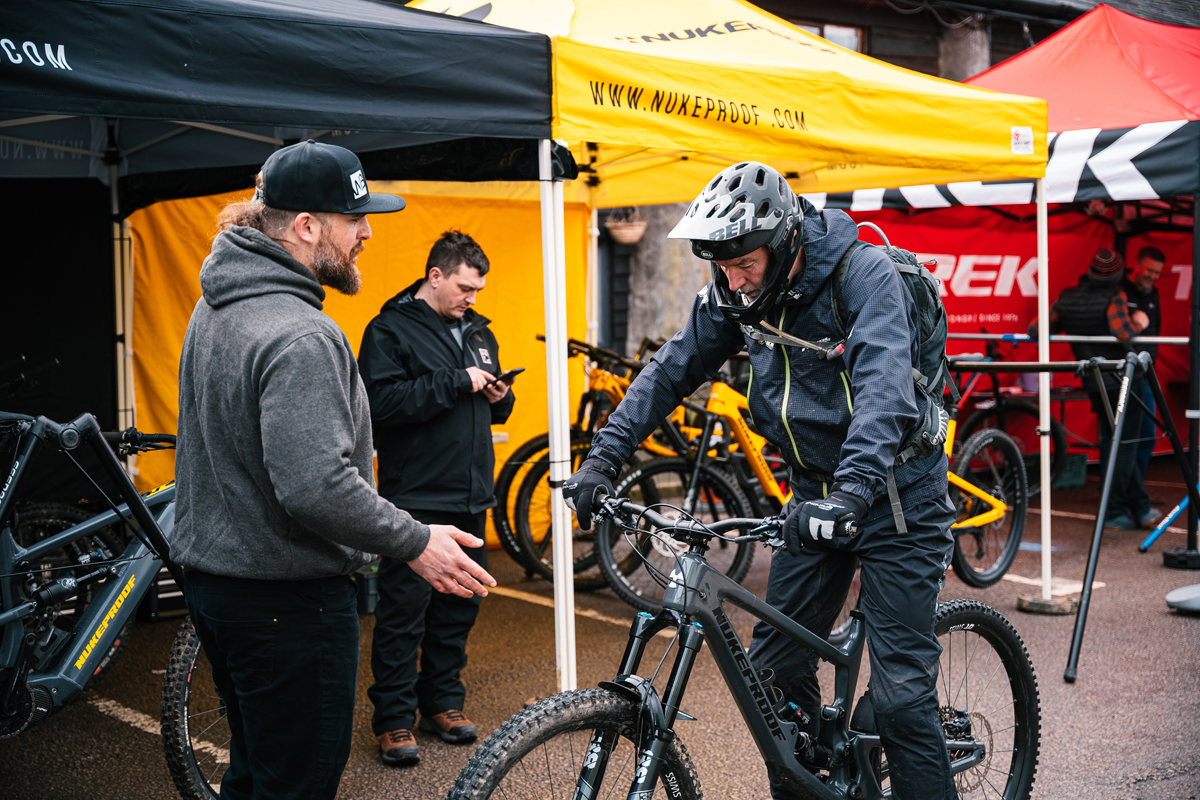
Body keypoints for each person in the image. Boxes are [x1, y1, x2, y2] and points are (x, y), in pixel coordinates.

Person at [564, 162, 958, 800]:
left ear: (787, 242)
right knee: (774, 668)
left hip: (893, 497)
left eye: (744, 262)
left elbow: (886, 392)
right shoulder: (736, 290)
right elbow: (672, 368)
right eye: (720, 265)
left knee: (902, 700)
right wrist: (605, 456)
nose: (733, 279)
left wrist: (852, 494)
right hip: (814, 496)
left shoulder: (863, 275)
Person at [173, 140, 495, 800]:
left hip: (219, 589)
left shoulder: (215, 305)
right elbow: (316, 484)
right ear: (307, 227)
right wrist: (415, 541)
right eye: (355, 220)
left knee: (255, 774)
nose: (368, 233)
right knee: (295, 785)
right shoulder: (302, 334)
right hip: (285, 603)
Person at [358, 230, 515, 766]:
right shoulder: (388, 329)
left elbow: (489, 410)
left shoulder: (480, 333)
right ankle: (394, 720)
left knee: (459, 608)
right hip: (415, 498)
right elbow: (380, 405)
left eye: (478, 290)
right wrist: (456, 381)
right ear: (435, 276)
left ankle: (442, 703)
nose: (474, 298)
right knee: (404, 612)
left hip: (472, 494)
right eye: (466, 288)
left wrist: (500, 396)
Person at [1034, 247, 1158, 529]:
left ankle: (1140, 507)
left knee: (1117, 443)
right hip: (1124, 379)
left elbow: (1035, 329)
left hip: (1094, 379)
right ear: (1117, 276)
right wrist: (1140, 322)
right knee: (1125, 445)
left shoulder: (1066, 297)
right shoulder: (1115, 296)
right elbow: (1123, 332)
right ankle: (1114, 511)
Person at [1122, 246, 1165, 476]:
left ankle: (1134, 489)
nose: (1152, 276)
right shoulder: (1119, 291)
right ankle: (1120, 493)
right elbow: (1119, 332)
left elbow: (1156, 331)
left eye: (1157, 272)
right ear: (1136, 265)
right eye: (1149, 270)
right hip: (1120, 375)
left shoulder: (1153, 294)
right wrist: (1136, 325)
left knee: (1148, 434)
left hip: (1145, 375)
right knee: (1121, 436)